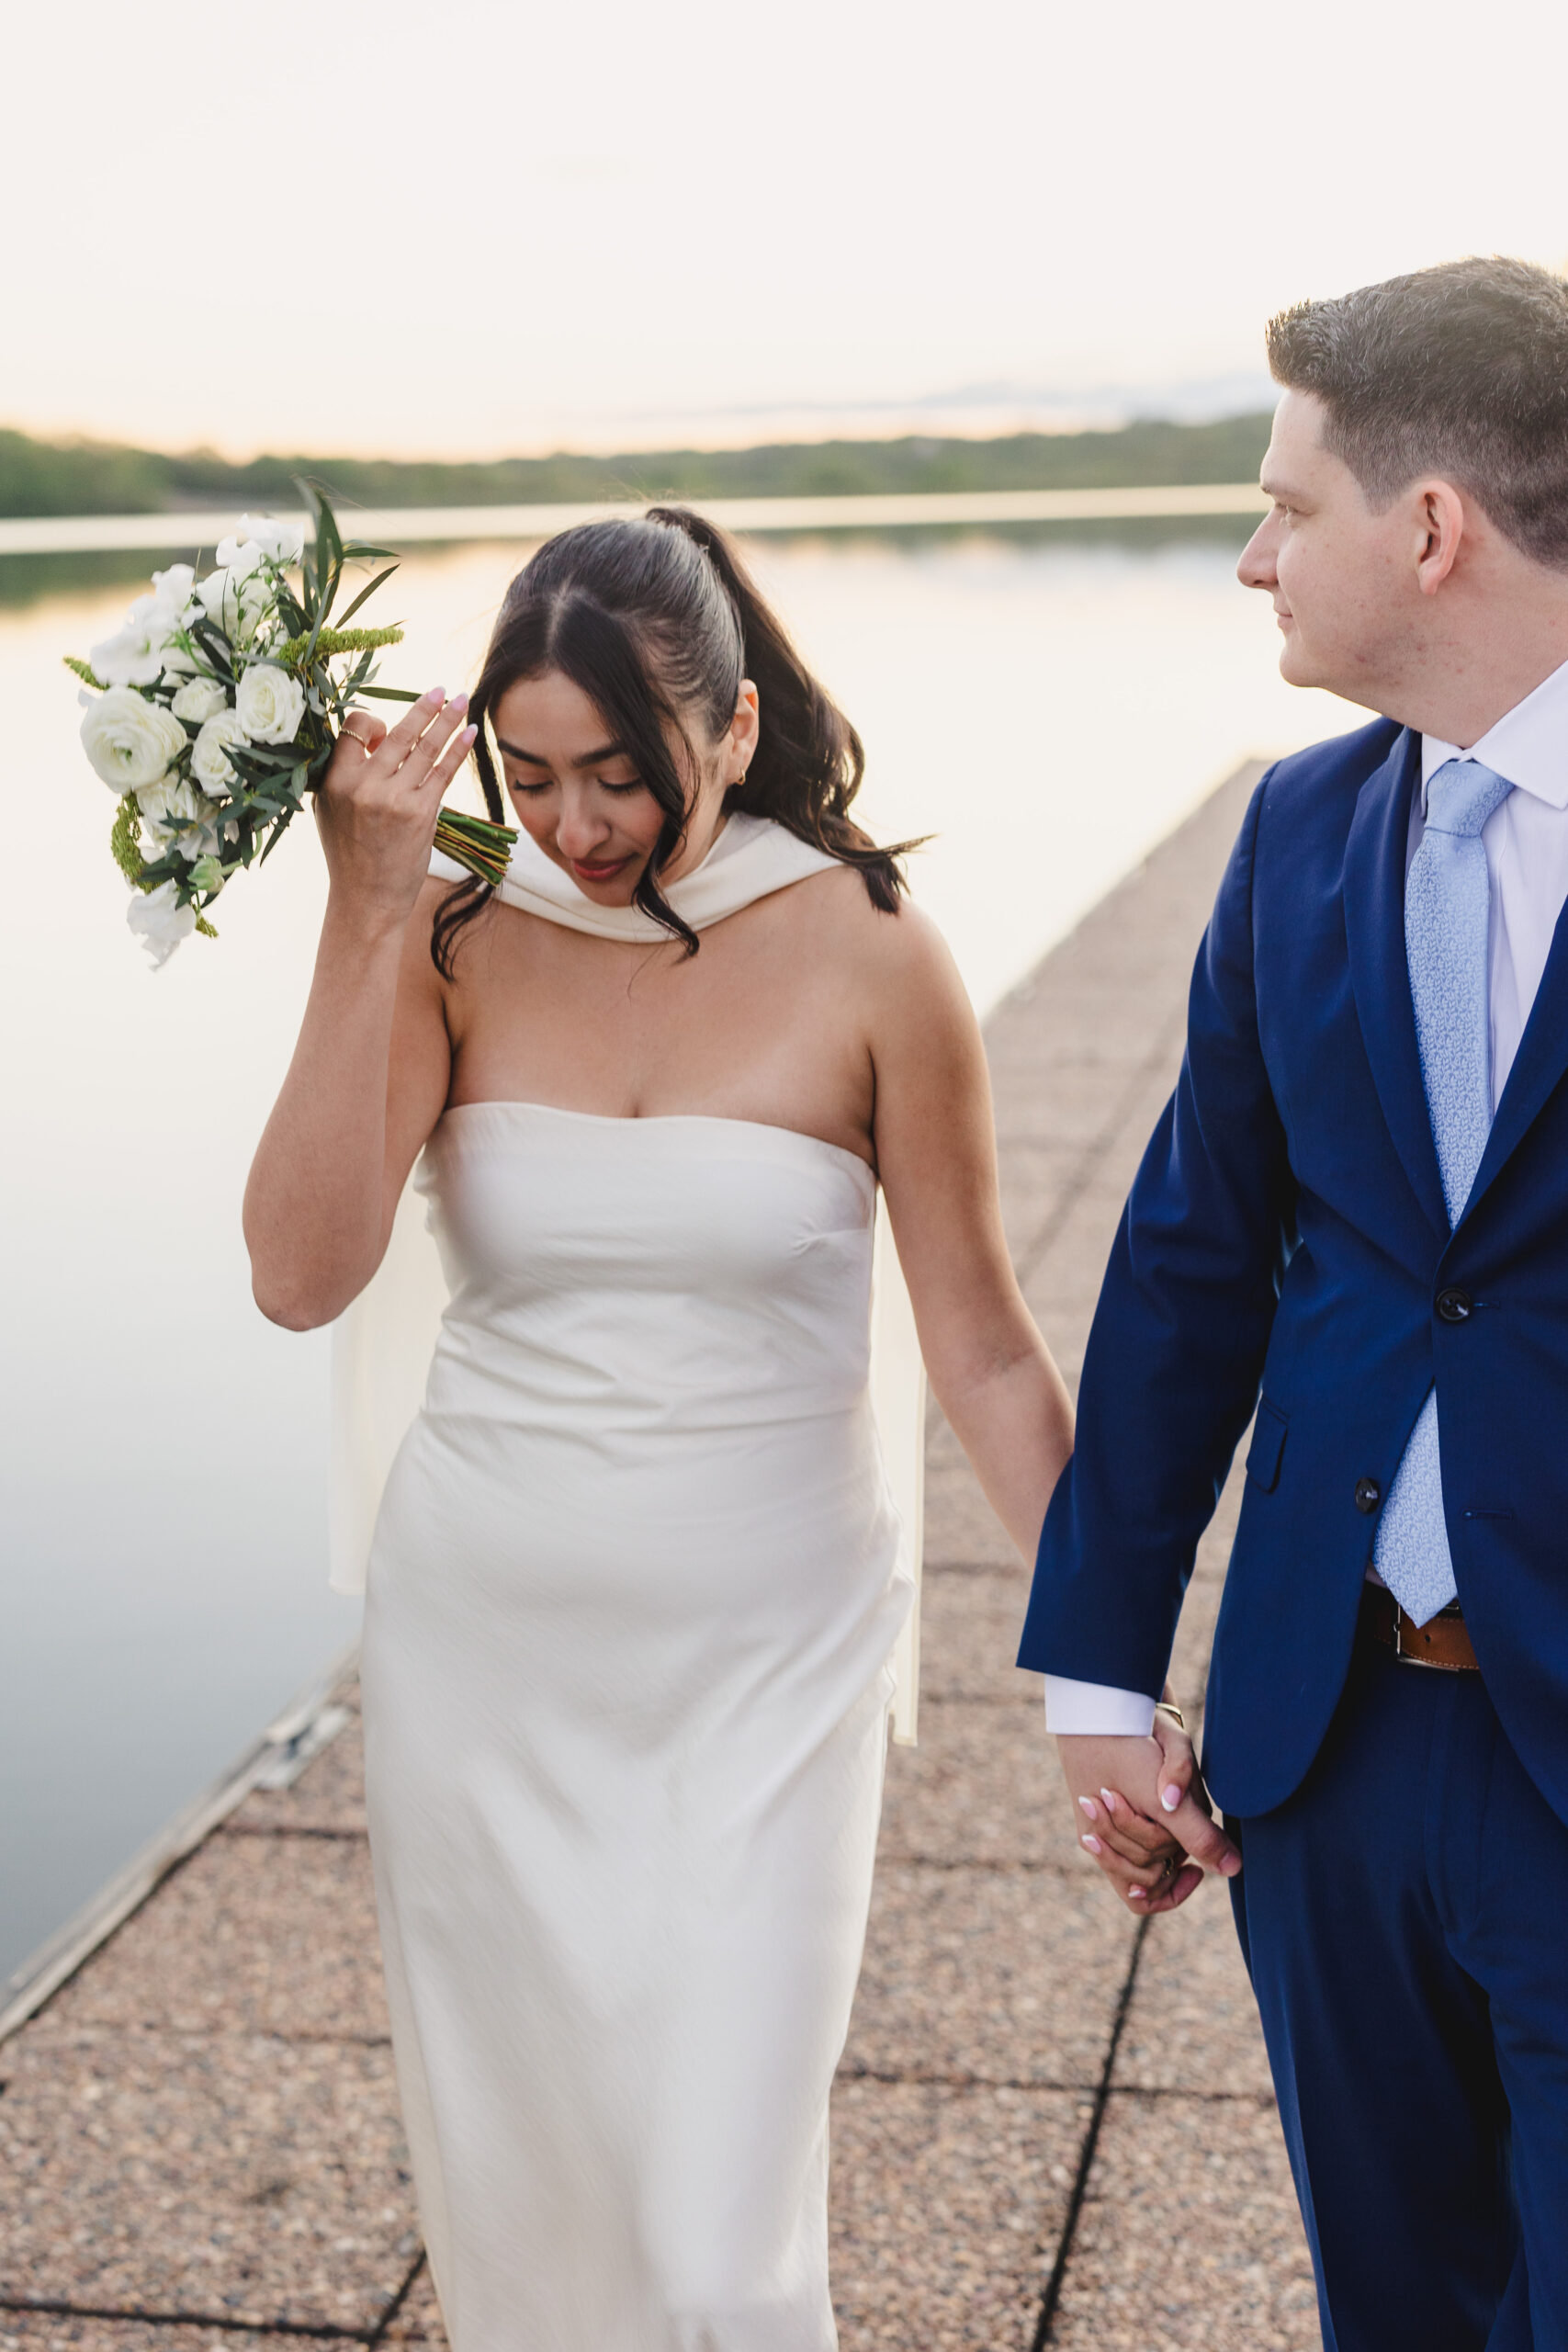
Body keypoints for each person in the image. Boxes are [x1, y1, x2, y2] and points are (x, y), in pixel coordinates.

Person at [244, 508, 1082, 2350]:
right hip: (488, 1659)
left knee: (714, 2245)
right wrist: (364, 908)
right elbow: (300, 1275)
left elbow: (985, 1350)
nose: (576, 827)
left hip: (761, 1671)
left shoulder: (873, 952)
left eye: (620, 774)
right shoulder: (455, 934)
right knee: (533, 2204)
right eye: (529, 775)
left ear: (733, 722)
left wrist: (1109, 1657)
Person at [1019, 255, 1568, 2349]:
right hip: (1322, 1747)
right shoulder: (1297, 831)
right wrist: (1097, 1668)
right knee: (1392, 2306)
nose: (1253, 557)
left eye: (1283, 504)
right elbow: (1190, 1256)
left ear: (1427, 529)